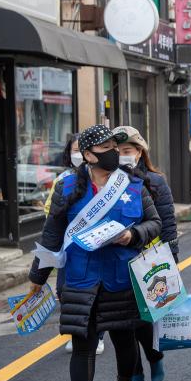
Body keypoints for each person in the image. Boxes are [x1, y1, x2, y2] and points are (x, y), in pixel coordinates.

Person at [28, 125, 161, 381]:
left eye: (116, 146)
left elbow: (154, 222)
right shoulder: (67, 187)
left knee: (124, 338)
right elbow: (52, 234)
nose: (114, 152)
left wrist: (134, 235)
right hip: (79, 278)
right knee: (83, 344)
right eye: (106, 147)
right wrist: (36, 278)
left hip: (120, 276)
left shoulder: (132, 184)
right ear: (88, 154)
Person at [113, 125, 178, 381]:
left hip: (148, 260)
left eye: (126, 151)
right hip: (115, 261)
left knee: (143, 320)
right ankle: (133, 373)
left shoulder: (154, 181)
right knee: (118, 324)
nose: (121, 156)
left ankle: (154, 357)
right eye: (116, 151)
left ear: (139, 152)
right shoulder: (106, 180)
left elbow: (168, 223)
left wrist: (172, 260)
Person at [48, 135, 106, 356]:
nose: (78, 155)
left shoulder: (110, 181)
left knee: (100, 294)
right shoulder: (63, 181)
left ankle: (97, 335)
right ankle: (78, 333)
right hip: (69, 249)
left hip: (99, 249)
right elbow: (49, 214)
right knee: (65, 291)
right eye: (75, 150)